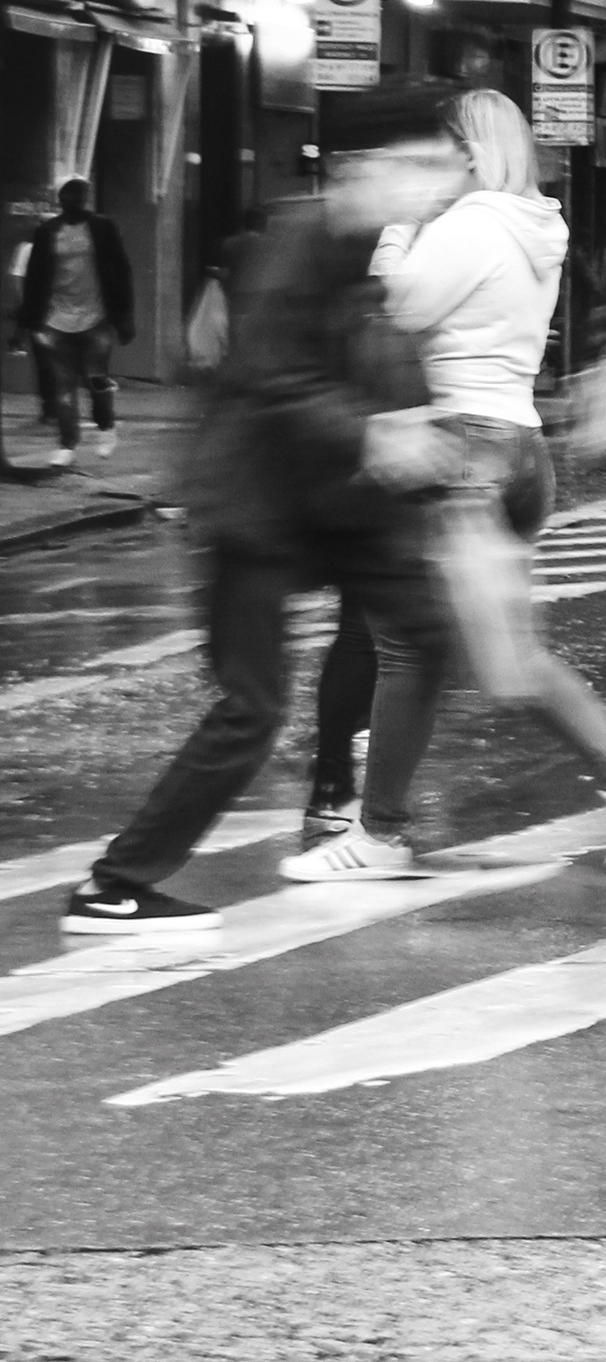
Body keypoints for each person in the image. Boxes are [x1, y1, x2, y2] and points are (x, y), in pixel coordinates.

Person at [57, 86, 461, 935]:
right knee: (253, 707)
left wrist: (421, 443)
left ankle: (367, 815)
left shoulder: (364, 245)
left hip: (324, 506)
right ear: (362, 168)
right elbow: (275, 375)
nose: (437, 182)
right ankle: (113, 884)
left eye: (443, 164)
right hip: (255, 509)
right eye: (420, 164)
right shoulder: (300, 240)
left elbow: (360, 359)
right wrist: (377, 435)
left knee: (429, 628)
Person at [289, 90, 606, 885]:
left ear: (470, 150)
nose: (430, 165)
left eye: (442, 150)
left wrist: (399, 228)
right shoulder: (535, 227)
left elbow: (396, 310)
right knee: (441, 645)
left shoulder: (471, 225)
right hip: (518, 445)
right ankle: (388, 827)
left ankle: (389, 832)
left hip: (462, 447)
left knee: (426, 647)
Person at [18, 175, 133, 468]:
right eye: (70, 197)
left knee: (96, 379)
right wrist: (26, 323)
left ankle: (106, 427)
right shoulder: (47, 231)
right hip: (55, 319)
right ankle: (67, 443)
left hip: (95, 317)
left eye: (81, 197)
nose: (76, 202)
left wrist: (124, 318)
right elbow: (35, 278)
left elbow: (120, 271)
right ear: (61, 200)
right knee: (62, 387)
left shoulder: (102, 227)